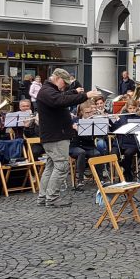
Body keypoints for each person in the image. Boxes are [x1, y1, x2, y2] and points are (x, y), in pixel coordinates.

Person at [37, 69, 99, 207]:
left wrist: (74, 92)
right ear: (57, 78)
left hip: (53, 135)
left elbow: (62, 96)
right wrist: (85, 95)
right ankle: (52, 198)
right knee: (61, 166)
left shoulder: (48, 90)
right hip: (56, 136)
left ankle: (43, 197)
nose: (64, 86)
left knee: (51, 166)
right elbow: (60, 100)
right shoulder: (47, 91)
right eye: (64, 83)